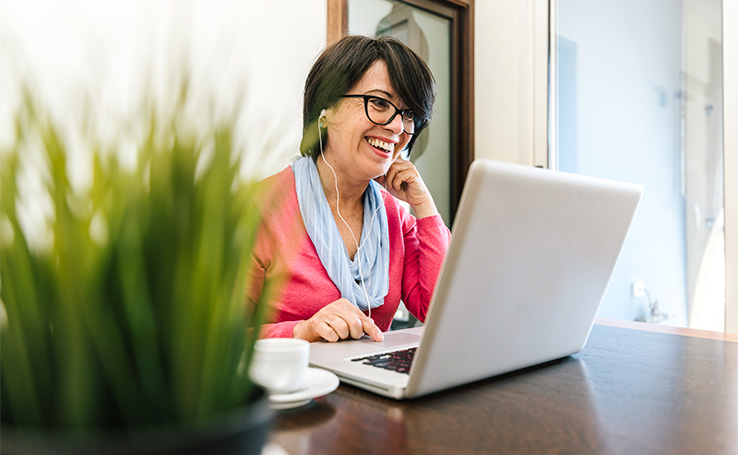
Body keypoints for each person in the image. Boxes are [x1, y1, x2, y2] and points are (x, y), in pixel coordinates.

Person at [249, 35, 451, 342]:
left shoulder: (395, 216)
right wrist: (302, 331)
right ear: (326, 108)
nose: (398, 128)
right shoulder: (258, 207)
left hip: (369, 387)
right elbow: (214, 343)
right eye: (380, 103)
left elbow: (440, 310)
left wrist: (425, 207)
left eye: (408, 113)